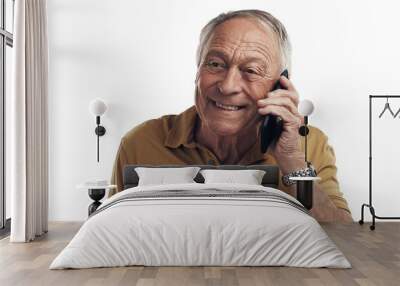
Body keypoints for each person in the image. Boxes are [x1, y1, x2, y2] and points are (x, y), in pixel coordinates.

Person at [110, 9, 353, 222]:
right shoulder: (140, 143)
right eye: (215, 64)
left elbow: (345, 239)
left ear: (280, 86)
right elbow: (109, 234)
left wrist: (292, 162)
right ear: (197, 72)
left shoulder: (310, 144)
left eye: (251, 70)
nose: (227, 86)